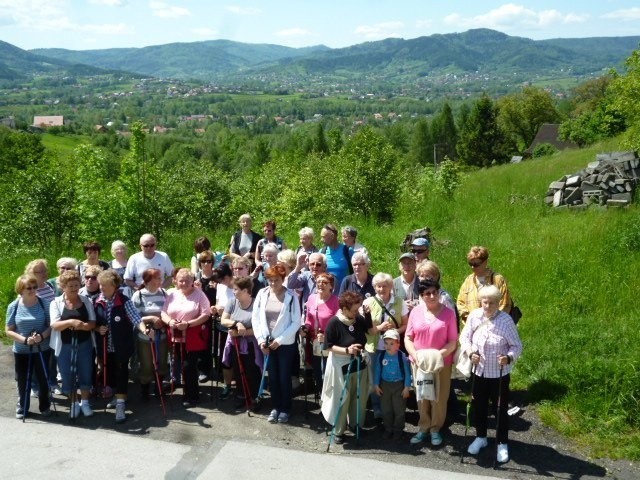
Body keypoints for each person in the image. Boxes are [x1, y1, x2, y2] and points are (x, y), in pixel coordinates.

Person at [460, 285, 522, 463]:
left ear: (499, 302)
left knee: (500, 409)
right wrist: (471, 352)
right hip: (478, 372)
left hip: (499, 374)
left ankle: (502, 442)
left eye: (492, 303)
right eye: (485, 302)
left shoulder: (506, 321)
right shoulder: (474, 316)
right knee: (479, 407)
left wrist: (509, 358)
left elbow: (517, 346)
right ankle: (481, 437)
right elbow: (464, 338)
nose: (487, 306)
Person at [404, 279, 458, 446]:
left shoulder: (448, 313)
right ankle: (423, 427)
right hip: (419, 363)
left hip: (441, 363)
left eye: (435, 292)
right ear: (422, 296)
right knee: (422, 396)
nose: (432, 296)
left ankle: (435, 429)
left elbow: (453, 342)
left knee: (439, 398)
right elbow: (408, 337)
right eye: (427, 293)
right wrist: (416, 355)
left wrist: (436, 356)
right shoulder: (415, 313)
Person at [321, 291, 374, 444]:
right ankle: (339, 430)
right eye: (354, 310)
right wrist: (347, 350)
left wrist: (368, 315)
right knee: (342, 399)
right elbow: (328, 347)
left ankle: (356, 425)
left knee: (360, 397)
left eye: (358, 309)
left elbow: (369, 330)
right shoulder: (334, 322)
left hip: (360, 364)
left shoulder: (357, 319)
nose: (356, 313)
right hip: (342, 366)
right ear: (344, 308)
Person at [251, 264, 301, 424]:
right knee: (272, 378)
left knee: (284, 377)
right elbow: (256, 318)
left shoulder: (291, 296)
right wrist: (260, 340)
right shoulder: (262, 293)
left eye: (276, 280)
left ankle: (285, 409)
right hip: (266, 342)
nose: (273, 283)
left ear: (283, 279)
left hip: (285, 344)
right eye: (270, 280)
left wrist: (279, 340)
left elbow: (296, 322)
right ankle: (276, 407)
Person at [95, 269, 145, 423]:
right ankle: (117, 397)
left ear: (115, 286)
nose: (102, 288)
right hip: (105, 347)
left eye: (105, 285)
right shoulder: (97, 301)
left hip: (121, 346)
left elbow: (136, 318)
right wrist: (98, 328)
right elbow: (94, 322)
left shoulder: (124, 301)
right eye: (101, 285)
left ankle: (121, 404)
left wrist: (144, 329)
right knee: (109, 372)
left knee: (122, 372)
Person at [161, 268, 211, 408]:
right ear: (176, 281)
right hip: (175, 337)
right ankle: (184, 391)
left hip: (193, 337)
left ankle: (192, 395)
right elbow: (164, 312)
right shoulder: (172, 294)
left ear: (192, 281)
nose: (183, 283)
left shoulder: (200, 295)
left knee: (189, 367)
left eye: (187, 281)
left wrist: (188, 324)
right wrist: (170, 322)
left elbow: (206, 314)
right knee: (179, 364)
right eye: (181, 280)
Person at [50, 270, 96, 418]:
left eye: (76, 285)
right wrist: (70, 322)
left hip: (84, 343)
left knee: (85, 372)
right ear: (63, 287)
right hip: (64, 345)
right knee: (67, 374)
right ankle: (74, 403)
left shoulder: (85, 301)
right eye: (71, 286)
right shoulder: (56, 302)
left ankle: (85, 402)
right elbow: (55, 325)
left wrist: (84, 326)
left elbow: (93, 322)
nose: (75, 288)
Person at [363, 272, 409, 420]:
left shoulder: (400, 302)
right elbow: (364, 327)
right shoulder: (368, 303)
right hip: (374, 347)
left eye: (385, 286)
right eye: (378, 286)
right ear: (374, 287)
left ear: (390, 287)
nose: (381, 289)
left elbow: (406, 325)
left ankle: (393, 407)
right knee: (375, 379)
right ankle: (377, 408)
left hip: (393, 349)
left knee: (391, 377)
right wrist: (379, 328)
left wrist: (394, 330)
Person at [6, 274, 52, 419]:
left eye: (34, 287)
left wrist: (42, 336)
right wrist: (25, 340)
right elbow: (8, 330)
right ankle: (22, 406)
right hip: (21, 350)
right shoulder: (14, 306)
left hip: (42, 348)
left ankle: (45, 406)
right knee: (22, 380)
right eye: (28, 288)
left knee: (43, 379)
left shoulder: (44, 303)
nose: (32, 290)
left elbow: (51, 326)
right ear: (21, 290)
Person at [220, 276, 261, 409]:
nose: (233, 291)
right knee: (238, 369)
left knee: (252, 370)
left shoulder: (256, 304)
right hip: (235, 343)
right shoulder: (232, 302)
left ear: (245, 291)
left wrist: (241, 332)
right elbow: (223, 320)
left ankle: (254, 397)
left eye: (236, 289)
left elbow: (259, 328)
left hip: (251, 344)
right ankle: (241, 394)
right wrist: (236, 324)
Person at [130, 268, 168, 400]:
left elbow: (169, 311)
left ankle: (159, 387)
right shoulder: (138, 295)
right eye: (157, 278)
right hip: (145, 335)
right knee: (146, 364)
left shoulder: (164, 293)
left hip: (162, 333)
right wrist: (151, 318)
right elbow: (133, 315)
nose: (160, 281)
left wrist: (162, 321)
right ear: (148, 280)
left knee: (162, 361)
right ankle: (145, 391)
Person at [302, 273, 339, 397]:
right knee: (317, 370)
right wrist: (305, 328)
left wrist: (327, 337)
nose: (320, 285)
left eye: (324, 282)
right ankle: (321, 395)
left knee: (328, 372)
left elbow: (338, 325)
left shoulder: (335, 301)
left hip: (329, 342)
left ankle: (329, 398)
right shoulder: (312, 298)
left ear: (331, 286)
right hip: (314, 341)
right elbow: (308, 319)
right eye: (318, 282)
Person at [456, 246, 512, 327]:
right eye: (471, 264)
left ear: (485, 262)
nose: (473, 267)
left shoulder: (497, 279)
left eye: (476, 264)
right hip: (474, 327)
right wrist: (471, 320)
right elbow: (460, 303)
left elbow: (505, 304)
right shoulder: (468, 281)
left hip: (495, 326)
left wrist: (490, 322)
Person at [373, 329, 412, 440]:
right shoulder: (381, 356)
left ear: (398, 344)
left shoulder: (402, 356)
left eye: (391, 343)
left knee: (399, 410)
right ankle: (388, 429)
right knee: (386, 409)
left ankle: (398, 430)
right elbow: (377, 370)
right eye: (386, 343)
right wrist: (376, 384)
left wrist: (406, 387)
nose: (388, 346)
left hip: (399, 386)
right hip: (385, 386)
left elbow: (407, 372)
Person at [319, 224, 352, 293]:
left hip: (344, 293)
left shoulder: (347, 250)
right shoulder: (322, 252)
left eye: (324, 237)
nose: (321, 240)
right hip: (327, 294)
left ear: (332, 236)